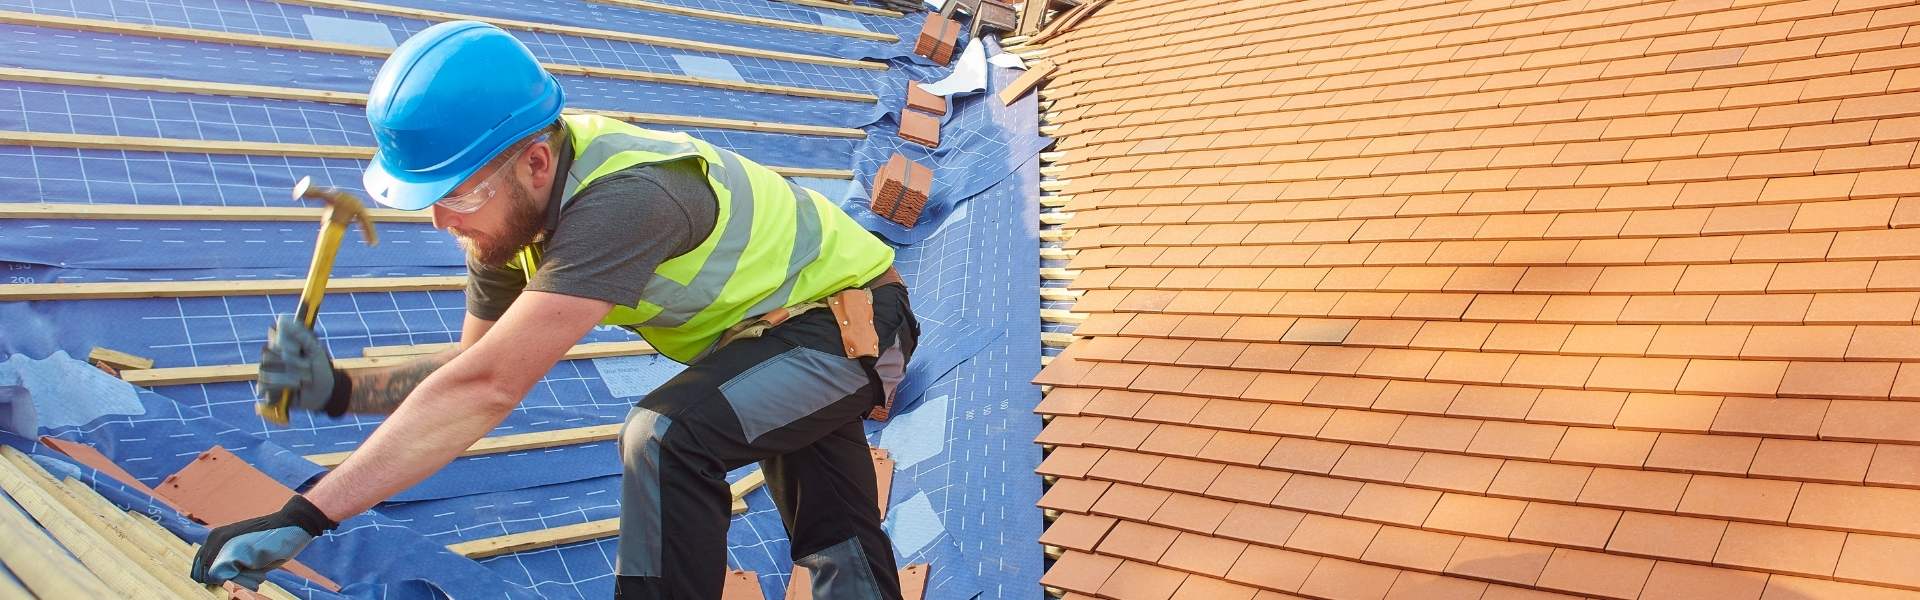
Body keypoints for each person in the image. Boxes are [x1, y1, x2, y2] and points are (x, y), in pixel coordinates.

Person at [189, 21, 917, 600]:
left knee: (664, 438)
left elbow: (486, 391)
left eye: (460, 195)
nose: (445, 222)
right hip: (772, 343)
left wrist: (306, 514)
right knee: (838, 542)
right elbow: (468, 371)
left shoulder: (626, 203)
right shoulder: (508, 220)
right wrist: (342, 391)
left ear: (536, 162)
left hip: (855, 326)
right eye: (430, 201)